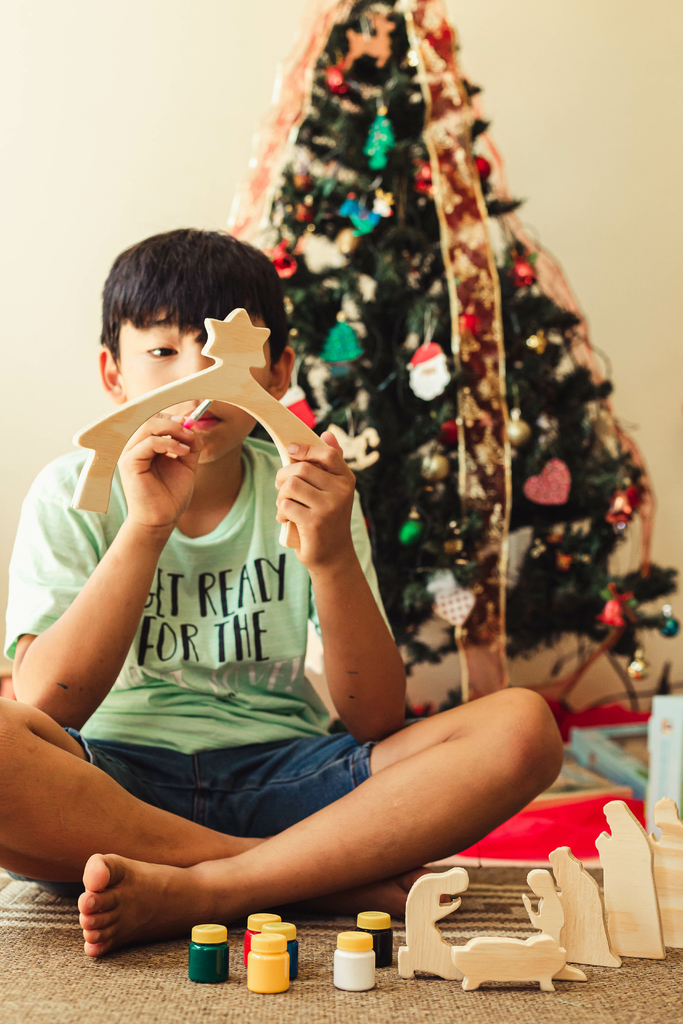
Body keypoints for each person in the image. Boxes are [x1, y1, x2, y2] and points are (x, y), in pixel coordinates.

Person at [2, 228, 562, 957]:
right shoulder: (70, 489)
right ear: (113, 373)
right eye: (164, 351)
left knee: (522, 727)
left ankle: (209, 888)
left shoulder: (309, 487)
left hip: (288, 771)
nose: (197, 376)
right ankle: (298, 875)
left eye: (221, 351)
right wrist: (144, 528)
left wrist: (330, 558)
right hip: (114, 784)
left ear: (274, 373)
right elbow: (45, 703)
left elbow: (373, 718)